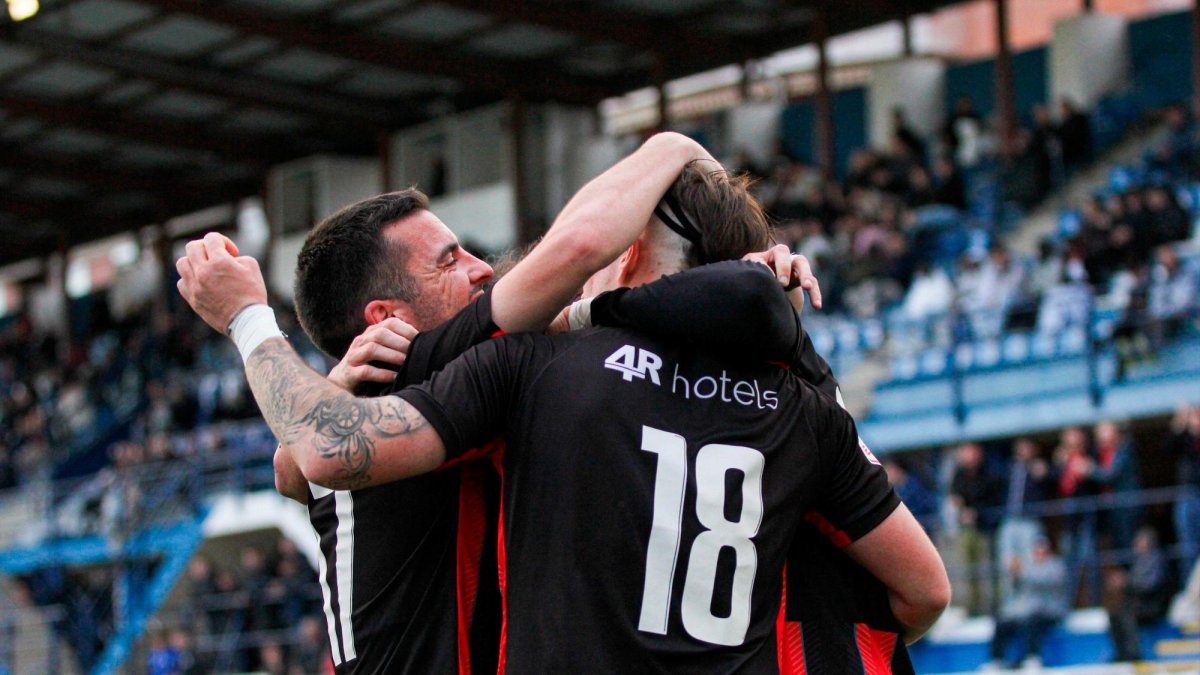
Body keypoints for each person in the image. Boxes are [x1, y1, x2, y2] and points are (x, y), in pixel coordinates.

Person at [176, 177, 949, 670]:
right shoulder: (420, 368)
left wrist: (732, 285)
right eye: (451, 261)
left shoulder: (533, 369)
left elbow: (300, 459)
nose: (484, 268)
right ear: (384, 321)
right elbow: (304, 455)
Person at [989, 536, 1068, 669]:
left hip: (1050, 612)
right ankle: (997, 659)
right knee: (1002, 622)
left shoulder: (1055, 566)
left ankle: (1033, 657)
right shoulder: (1029, 567)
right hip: (1028, 612)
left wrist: (1021, 572)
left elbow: (1044, 582)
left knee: (1033, 621)